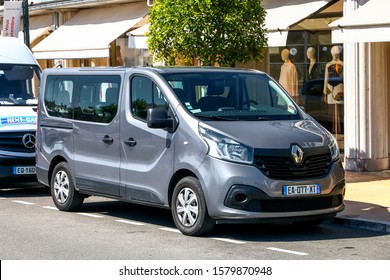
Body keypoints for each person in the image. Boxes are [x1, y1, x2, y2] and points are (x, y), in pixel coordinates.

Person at [323, 45, 344, 134]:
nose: (335, 54)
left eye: (336, 52)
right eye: (333, 52)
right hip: (330, 89)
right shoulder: (328, 65)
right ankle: (333, 129)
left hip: (340, 88)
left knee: (340, 110)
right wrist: (324, 92)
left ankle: (340, 129)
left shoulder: (343, 64)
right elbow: (326, 79)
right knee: (331, 110)